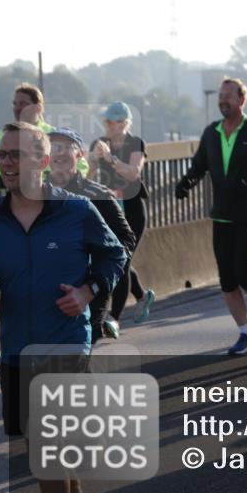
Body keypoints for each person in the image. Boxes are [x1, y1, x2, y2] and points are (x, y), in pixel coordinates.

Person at [0, 121, 127, 493]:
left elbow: (114, 255)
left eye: (17, 154)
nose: (7, 162)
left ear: (44, 161)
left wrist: (89, 291)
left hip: (66, 342)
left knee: (48, 440)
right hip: (16, 346)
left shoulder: (76, 211)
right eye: (3, 154)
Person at [175, 77, 247, 354]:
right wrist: (186, 182)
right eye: (221, 96)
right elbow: (199, 165)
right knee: (227, 279)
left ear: (241, 100)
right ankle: (246, 335)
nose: (223, 100)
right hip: (221, 216)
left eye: (229, 96)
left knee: (245, 275)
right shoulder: (211, 133)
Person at [47, 127, 137, 344]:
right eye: (53, 147)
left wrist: (95, 283)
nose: (59, 153)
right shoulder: (34, 197)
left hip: (88, 296)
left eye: (66, 147)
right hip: (46, 294)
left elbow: (126, 240)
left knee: (75, 358)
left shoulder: (98, 196)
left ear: (79, 155)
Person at [88, 101, 156, 335]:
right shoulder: (99, 144)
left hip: (132, 209)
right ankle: (142, 295)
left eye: (110, 121)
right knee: (118, 259)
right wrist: (93, 161)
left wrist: (111, 159)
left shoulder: (135, 143)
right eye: (104, 120)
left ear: (123, 123)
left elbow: (133, 173)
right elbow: (89, 176)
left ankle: (114, 318)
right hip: (109, 210)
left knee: (123, 260)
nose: (106, 125)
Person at [0, 83, 88, 188]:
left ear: (38, 108)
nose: (17, 108)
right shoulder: (3, 136)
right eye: (15, 104)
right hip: (16, 200)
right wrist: (3, 181)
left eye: (23, 103)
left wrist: (63, 185)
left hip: (53, 199)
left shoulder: (54, 135)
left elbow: (81, 165)